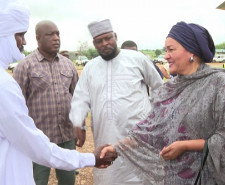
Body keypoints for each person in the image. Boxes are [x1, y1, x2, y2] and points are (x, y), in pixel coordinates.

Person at [0, 1, 116, 184]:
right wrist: (90, 159)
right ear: (2, 34)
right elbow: (36, 147)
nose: (23, 41)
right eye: (20, 34)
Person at [100, 21, 225, 185]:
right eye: (166, 50)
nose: (166, 55)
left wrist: (187, 145)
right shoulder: (168, 89)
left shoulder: (220, 83)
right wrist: (116, 148)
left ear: (193, 52)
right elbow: (149, 131)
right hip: (174, 178)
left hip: (210, 178)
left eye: (171, 49)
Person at [69, 19, 163, 185]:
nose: (105, 43)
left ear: (116, 36)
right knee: (110, 177)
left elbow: (158, 87)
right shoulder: (90, 67)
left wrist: (154, 116)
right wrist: (78, 124)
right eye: (99, 41)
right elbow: (80, 99)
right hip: (106, 135)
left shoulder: (137, 59)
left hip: (139, 136)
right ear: (94, 44)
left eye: (108, 38)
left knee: (144, 178)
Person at [13, 20, 81, 185]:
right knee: (37, 181)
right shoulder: (25, 66)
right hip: (37, 140)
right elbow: (15, 105)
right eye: (50, 34)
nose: (56, 38)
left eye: (58, 34)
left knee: (68, 180)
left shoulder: (68, 65)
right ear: (38, 38)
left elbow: (79, 98)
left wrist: (81, 126)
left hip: (66, 137)